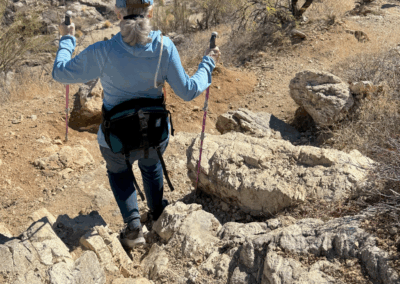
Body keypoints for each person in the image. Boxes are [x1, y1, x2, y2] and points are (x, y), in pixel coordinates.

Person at [52, 0, 221, 248]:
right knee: (151, 165)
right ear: (150, 12)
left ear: (118, 13)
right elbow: (188, 91)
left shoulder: (103, 51)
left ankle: (133, 228)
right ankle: (157, 213)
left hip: (115, 139)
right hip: (153, 134)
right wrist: (208, 62)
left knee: (119, 171)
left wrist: (67, 39)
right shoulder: (165, 47)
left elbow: (60, 72)